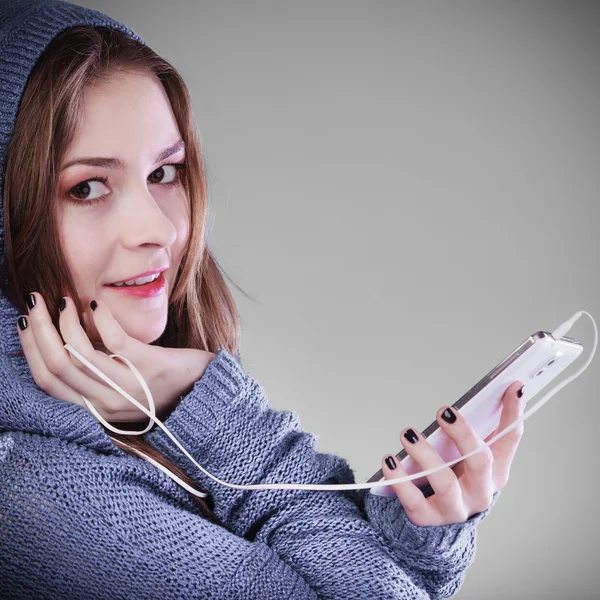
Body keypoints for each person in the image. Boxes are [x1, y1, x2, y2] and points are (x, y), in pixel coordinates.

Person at [0, 1, 526, 598]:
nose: (159, 230)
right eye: (87, 187)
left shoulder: (136, 407)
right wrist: (221, 412)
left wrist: (418, 535)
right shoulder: (27, 489)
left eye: (164, 173)